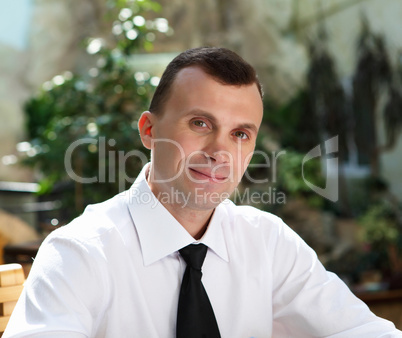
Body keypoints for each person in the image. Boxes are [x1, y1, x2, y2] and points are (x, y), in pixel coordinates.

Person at [4, 47, 402, 337]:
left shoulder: (269, 243)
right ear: (149, 129)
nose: (219, 152)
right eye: (199, 123)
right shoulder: (79, 254)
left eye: (240, 134)